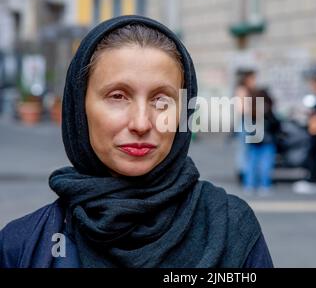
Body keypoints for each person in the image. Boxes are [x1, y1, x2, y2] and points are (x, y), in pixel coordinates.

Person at [0, 16, 273, 268]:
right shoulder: (22, 246)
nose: (141, 123)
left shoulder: (232, 229)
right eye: (118, 96)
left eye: (162, 100)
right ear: (79, 107)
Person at [243, 88, 281, 196]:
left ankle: (249, 185)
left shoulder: (252, 109)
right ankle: (264, 185)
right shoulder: (267, 110)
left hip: (253, 140)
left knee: (251, 164)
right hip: (267, 140)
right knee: (265, 164)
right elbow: (275, 124)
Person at [233, 70, 257, 184]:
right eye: (253, 79)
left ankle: (247, 172)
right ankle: (243, 172)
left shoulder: (249, 90)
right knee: (243, 149)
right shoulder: (242, 90)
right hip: (245, 121)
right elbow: (241, 109)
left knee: (247, 149)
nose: (254, 82)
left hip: (249, 121)